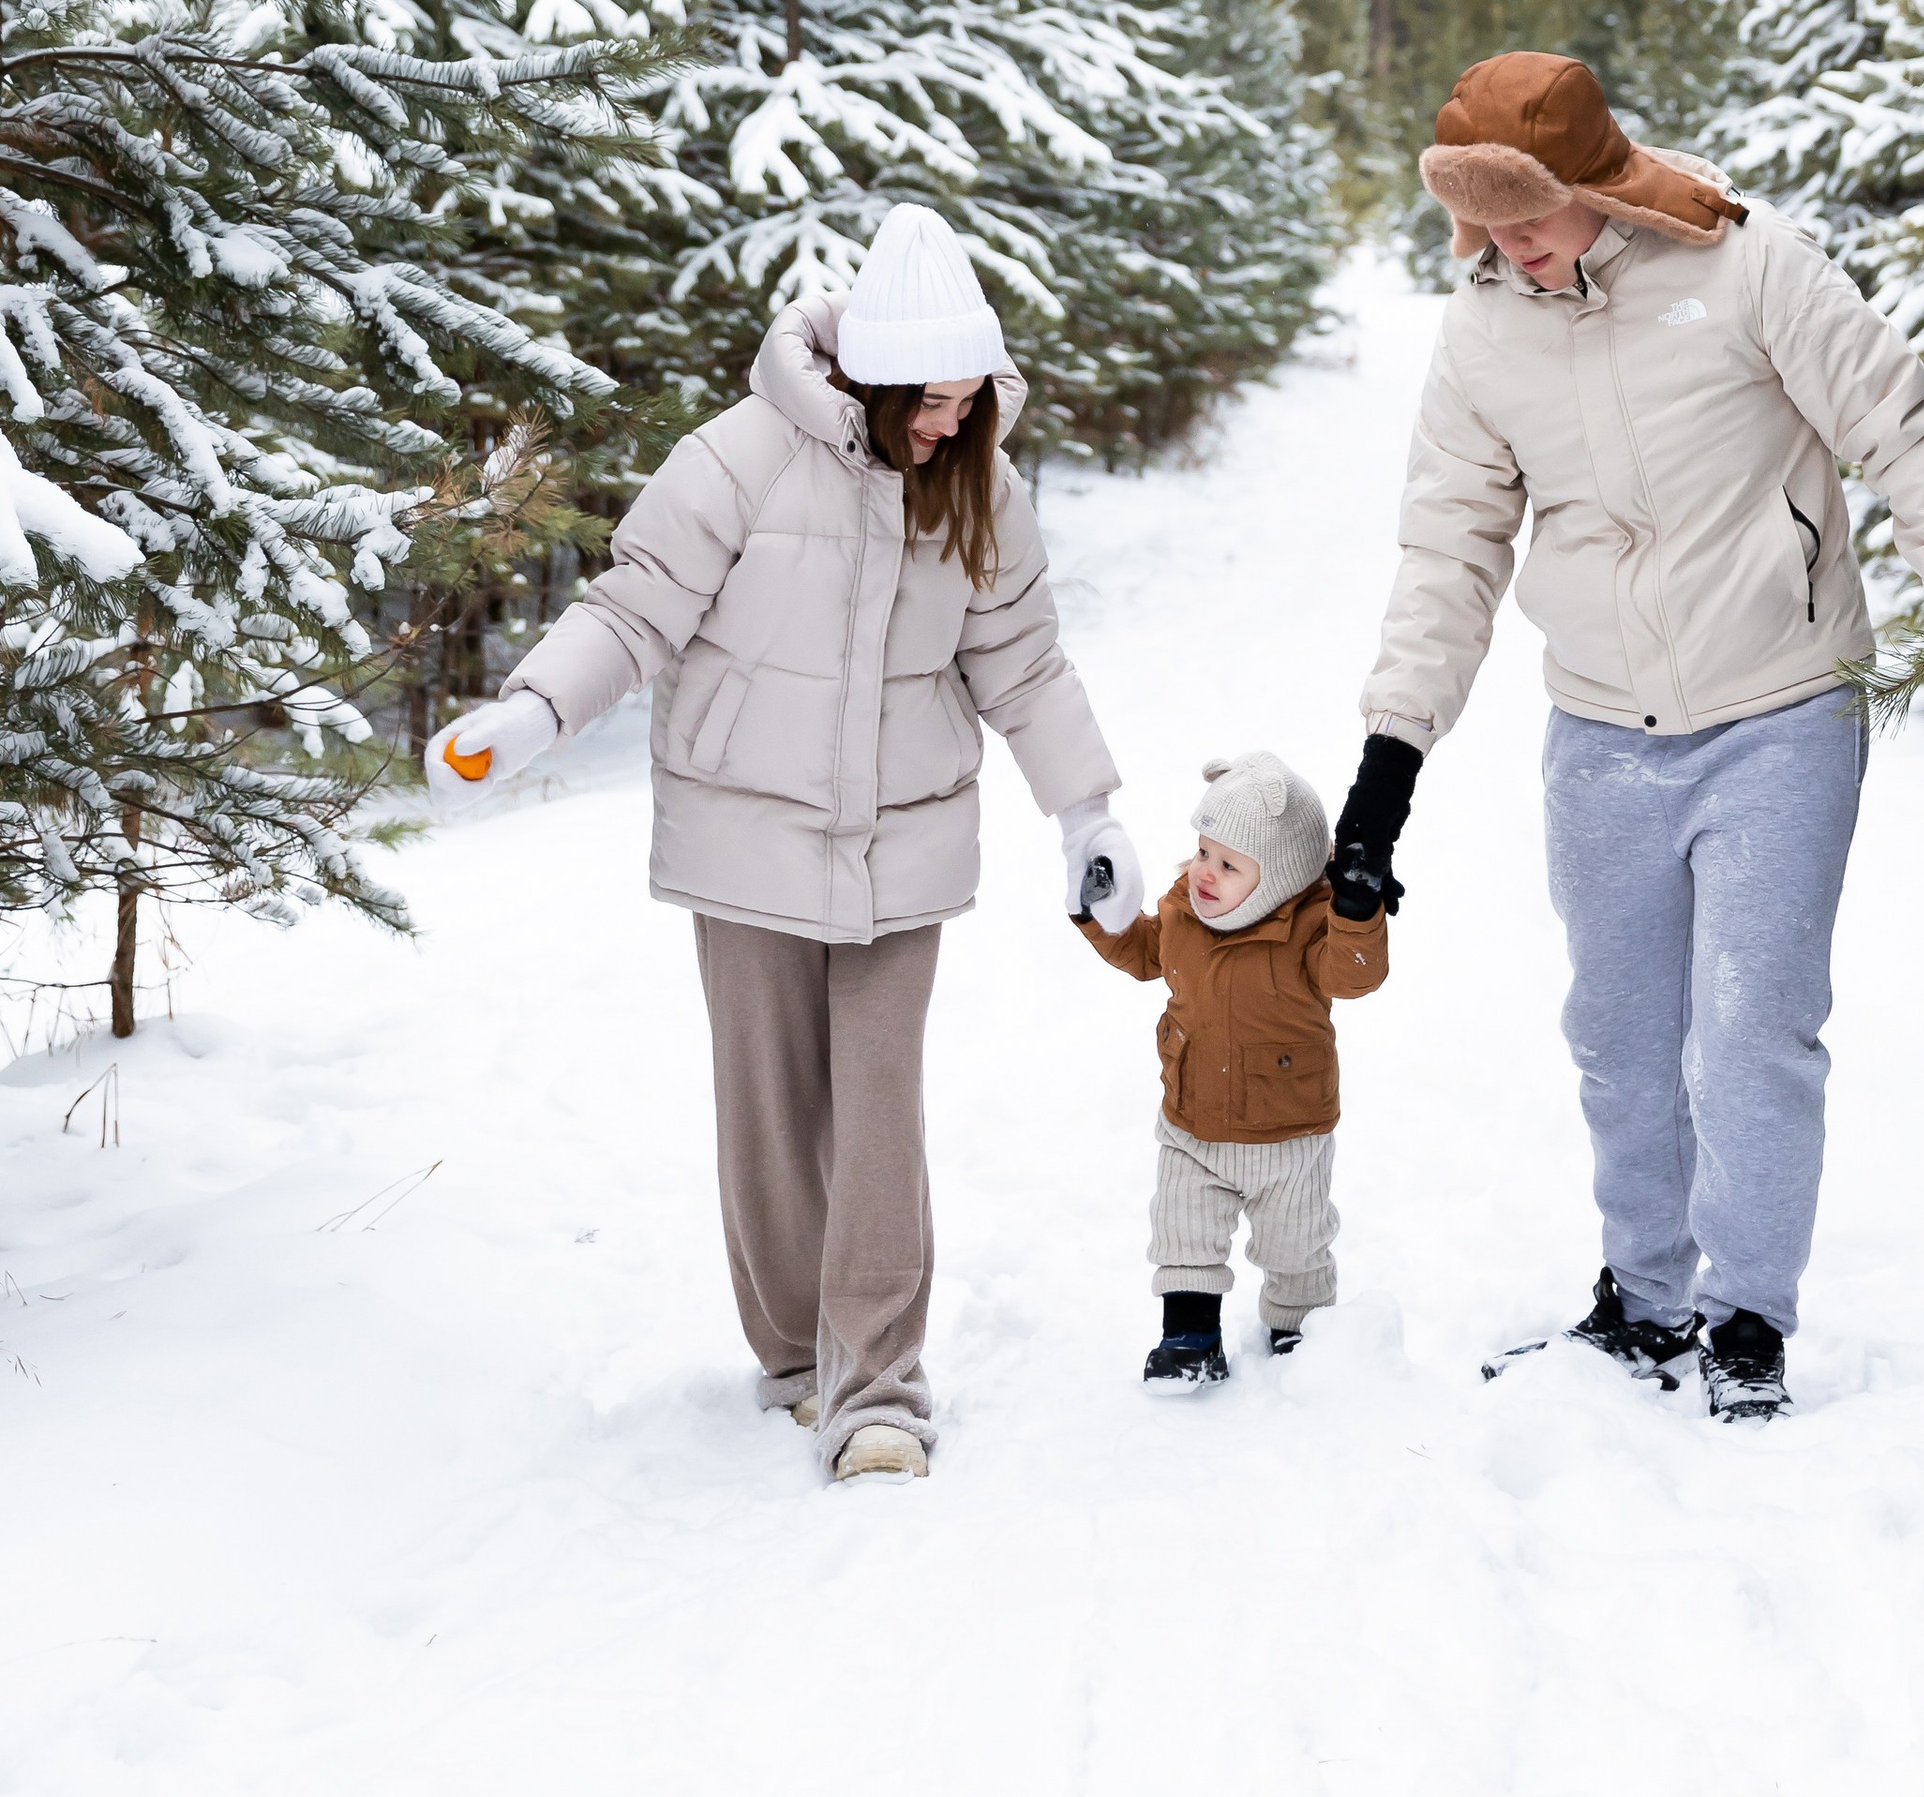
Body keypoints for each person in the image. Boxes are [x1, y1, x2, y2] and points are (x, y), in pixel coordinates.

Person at [1333, 53, 1924, 1421]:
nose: (1508, 249)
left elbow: (1898, 423)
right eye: (1482, 226)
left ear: (1596, 181)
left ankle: (1747, 1313)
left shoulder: (1750, 265)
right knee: (1621, 1033)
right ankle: (1642, 1300)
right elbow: (1450, 546)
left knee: (1755, 1026)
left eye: (1527, 216)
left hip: (1784, 705)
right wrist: (1389, 760)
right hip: (1601, 729)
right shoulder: (1482, 332)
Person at [425, 204, 1146, 1485]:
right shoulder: (738, 459)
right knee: (767, 1111)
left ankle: (877, 1387)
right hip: (743, 830)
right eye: (928, 400)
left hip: (904, 839)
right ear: (865, 380)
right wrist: (532, 711)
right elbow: (633, 609)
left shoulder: (980, 478)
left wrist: (1085, 811)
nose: (948, 423)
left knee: (876, 1111)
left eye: (969, 401)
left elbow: (1023, 665)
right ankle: (795, 1360)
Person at [1076, 749, 1389, 1388]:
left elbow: (1355, 978)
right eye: (1202, 851)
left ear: (1277, 878)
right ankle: (1188, 1338)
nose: (1205, 873)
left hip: (1289, 1132)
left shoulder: (1310, 930)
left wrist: (1357, 916)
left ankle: (1298, 1331)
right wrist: (1100, 917)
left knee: (1295, 1246)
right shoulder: (1183, 912)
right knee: (1182, 1229)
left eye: (1228, 864)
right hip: (1193, 1119)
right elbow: (1144, 953)